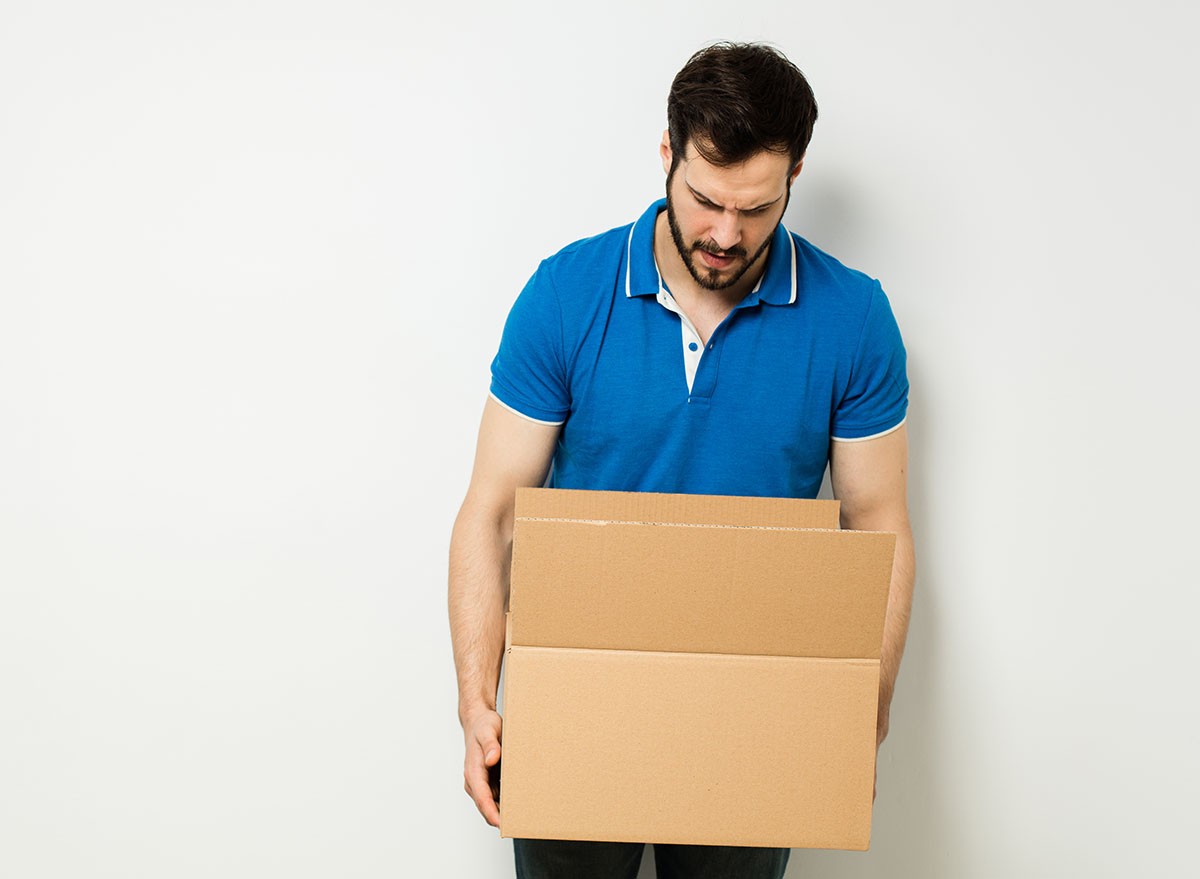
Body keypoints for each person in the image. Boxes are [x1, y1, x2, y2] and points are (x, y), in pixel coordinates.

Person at [448, 41, 915, 879]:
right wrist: (477, 702)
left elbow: (878, 526)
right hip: (579, 697)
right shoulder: (566, 294)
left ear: (794, 177)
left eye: (757, 208)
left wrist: (860, 710)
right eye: (705, 200)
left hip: (757, 706)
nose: (726, 235)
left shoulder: (853, 318)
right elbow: (492, 512)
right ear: (668, 152)